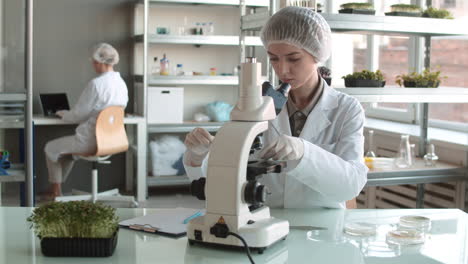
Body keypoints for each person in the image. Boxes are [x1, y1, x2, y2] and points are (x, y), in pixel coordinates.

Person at [183, 6, 368, 209]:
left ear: (317, 54)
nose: (282, 69)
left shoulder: (347, 109)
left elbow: (351, 185)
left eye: (293, 58)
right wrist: (199, 156)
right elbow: (224, 172)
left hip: (321, 227)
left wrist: (304, 152)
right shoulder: (257, 105)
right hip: (267, 219)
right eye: (273, 58)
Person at [43, 43, 128, 199]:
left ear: (99, 62)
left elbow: (78, 115)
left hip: (91, 141)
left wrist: (63, 114)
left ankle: (55, 192)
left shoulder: (96, 84)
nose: (93, 65)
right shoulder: (121, 83)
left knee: (50, 148)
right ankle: (57, 189)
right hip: (113, 139)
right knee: (67, 154)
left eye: (94, 62)